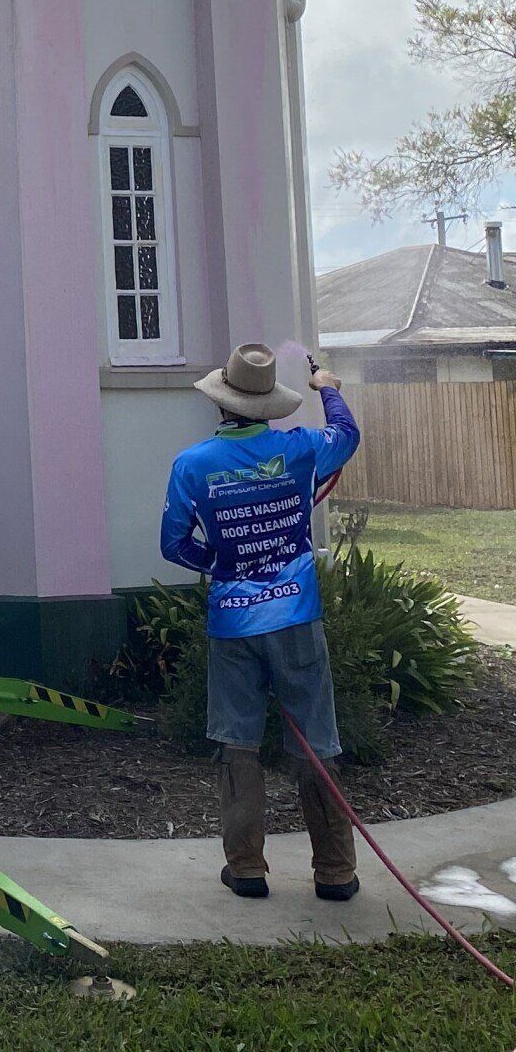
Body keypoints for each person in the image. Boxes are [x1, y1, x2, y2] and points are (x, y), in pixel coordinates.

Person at [159, 343, 361, 901]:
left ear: (221, 404)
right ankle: (336, 873)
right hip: (296, 616)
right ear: (269, 404)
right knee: (315, 742)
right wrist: (330, 390)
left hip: (233, 623)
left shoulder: (193, 464)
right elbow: (347, 438)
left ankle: (246, 867)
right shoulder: (298, 449)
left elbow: (173, 544)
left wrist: (220, 563)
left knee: (237, 744)